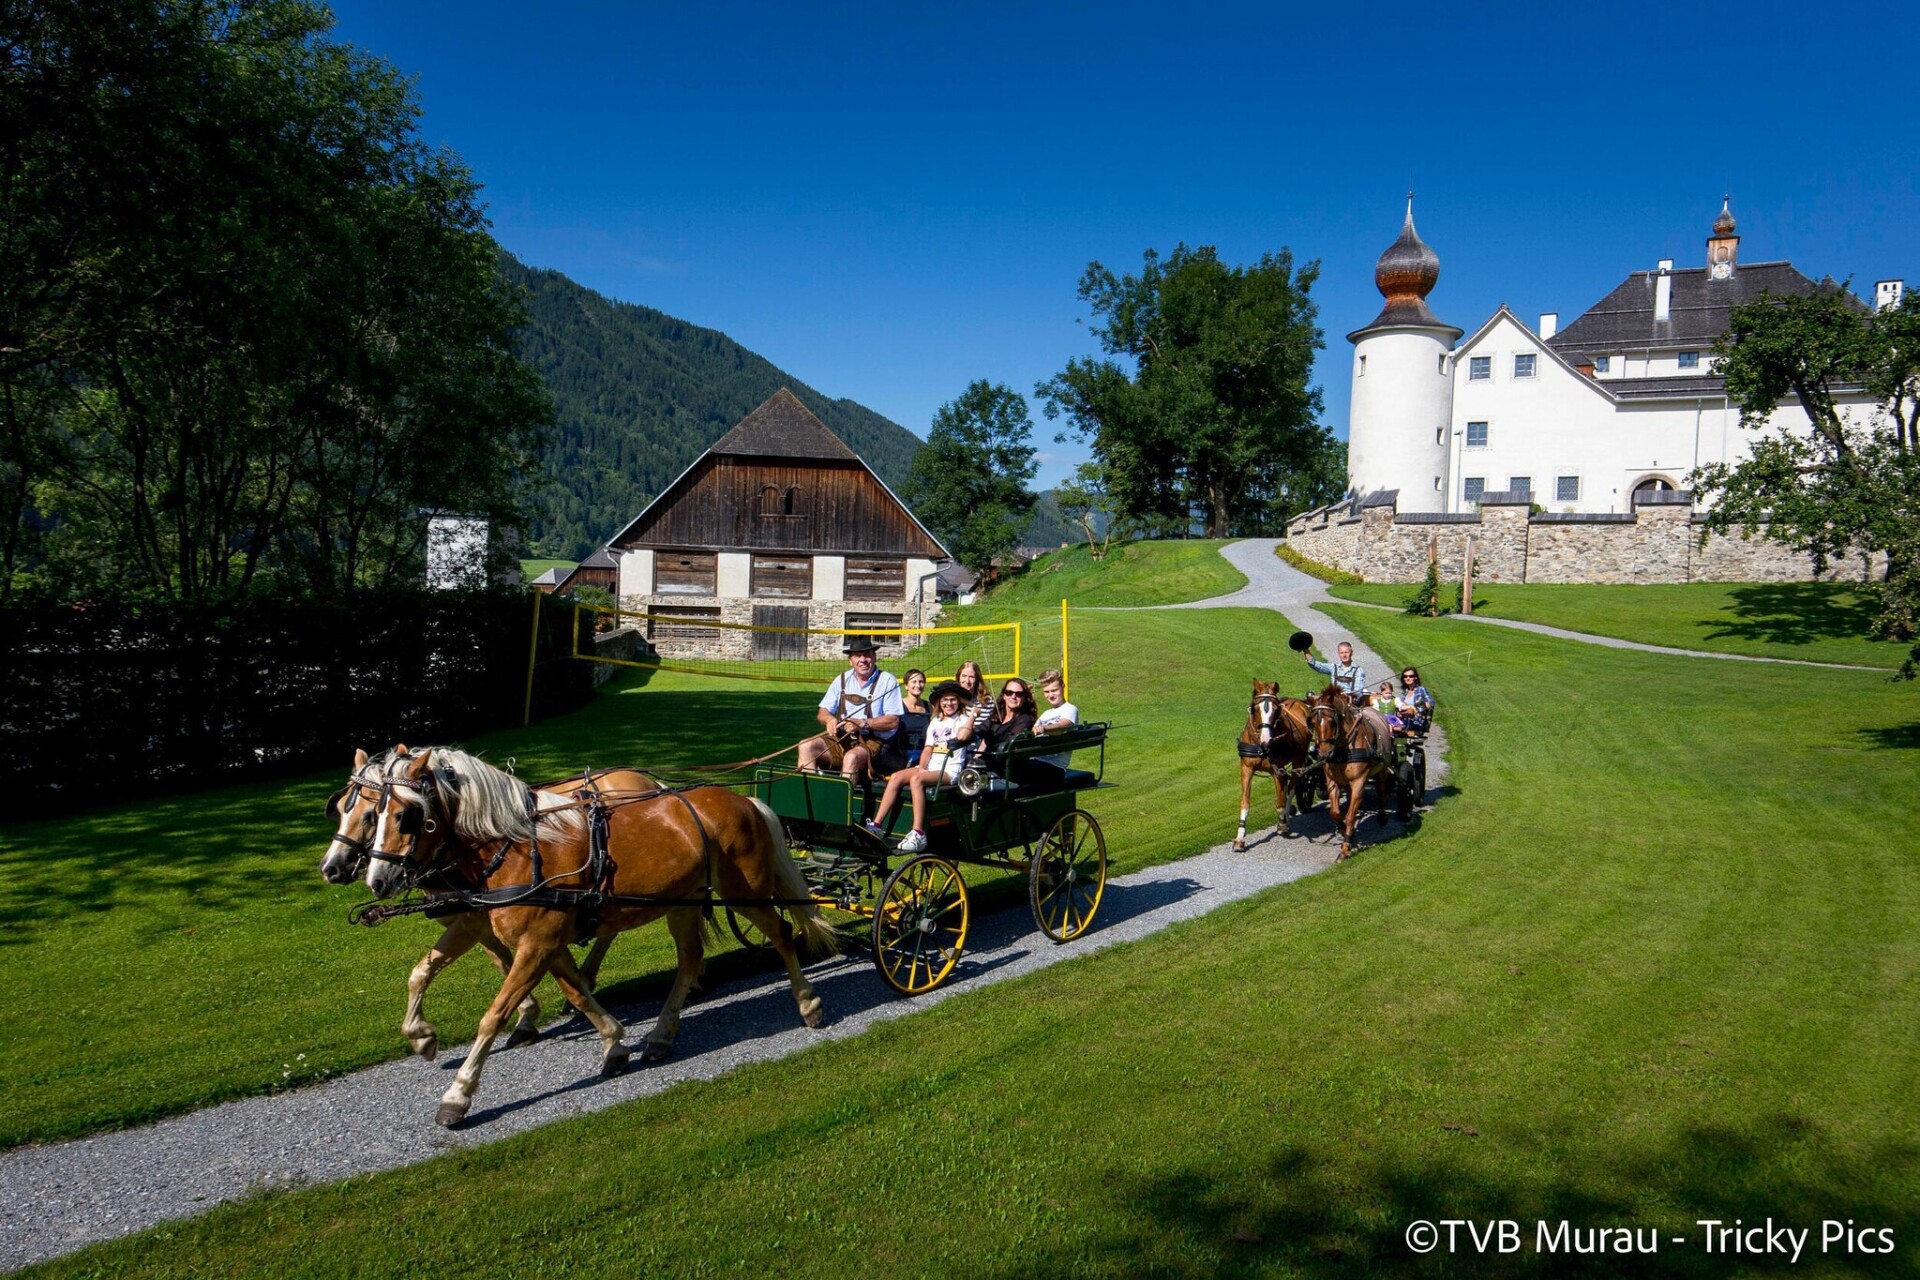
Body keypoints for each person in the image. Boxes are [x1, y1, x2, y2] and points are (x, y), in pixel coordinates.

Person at [866, 680, 973, 852]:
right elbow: (928, 749)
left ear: (959, 700)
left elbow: (962, 737)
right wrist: (922, 767)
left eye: (953, 699)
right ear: (939, 702)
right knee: (896, 776)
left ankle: (918, 833)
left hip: (950, 770)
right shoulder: (936, 721)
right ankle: (876, 826)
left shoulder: (963, 719)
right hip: (931, 768)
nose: (949, 703)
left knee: (916, 779)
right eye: (945, 700)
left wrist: (972, 715)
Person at [798, 635, 904, 783]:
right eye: (857, 656)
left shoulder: (887, 680)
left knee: (851, 757)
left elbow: (893, 721)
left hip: (874, 742)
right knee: (806, 746)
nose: (863, 660)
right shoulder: (841, 680)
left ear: (874, 657)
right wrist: (829, 719)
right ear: (850, 660)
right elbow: (822, 712)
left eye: (867, 655)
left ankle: (843, 798)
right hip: (842, 738)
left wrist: (863, 723)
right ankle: (811, 793)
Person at [977, 677, 1038, 757]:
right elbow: (979, 729)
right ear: (1004, 696)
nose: (1013, 696)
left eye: (1019, 694)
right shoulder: (997, 715)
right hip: (988, 758)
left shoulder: (1025, 720)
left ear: (1024, 698)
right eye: (1009, 692)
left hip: (1004, 762)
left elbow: (1008, 745)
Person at [1031, 668, 1079, 770]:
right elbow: (1031, 733)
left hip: (1055, 766)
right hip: (1037, 762)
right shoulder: (1045, 714)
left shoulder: (1070, 709)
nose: (1051, 695)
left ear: (1063, 687)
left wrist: (1044, 728)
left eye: (1054, 690)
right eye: (1046, 692)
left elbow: (1062, 727)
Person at [1303, 640, 1368, 697]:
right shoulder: (1334, 667)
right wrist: (1305, 649)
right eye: (1342, 653)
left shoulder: (1358, 670)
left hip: (1352, 702)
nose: (1344, 655)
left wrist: (1345, 696)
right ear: (1338, 654)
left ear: (1351, 653)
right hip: (1334, 701)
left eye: (1346, 652)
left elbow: (1358, 692)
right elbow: (1315, 664)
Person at [896, 669, 931, 762]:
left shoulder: (929, 706)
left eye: (921, 682)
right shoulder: (897, 706)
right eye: (914, 682)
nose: (918, 685)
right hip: (901, 754)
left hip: (925, 752)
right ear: (906, 686)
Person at [954, 660, 992, 733]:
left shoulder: (987, 701)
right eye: (964, 676)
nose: (967, 681)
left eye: (971, 677)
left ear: (977, 679)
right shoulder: (952, 700)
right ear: (959, 678)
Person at [1395, 665, 1435, 733]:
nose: (1408, 678)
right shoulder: (1405, 693)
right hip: (1404, 719)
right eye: (1405, 676)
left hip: (1417, 721)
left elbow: (1431, 703)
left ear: (1415, 677)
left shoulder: (1421, 689)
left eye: (1411, 676)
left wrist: (1416, 707)